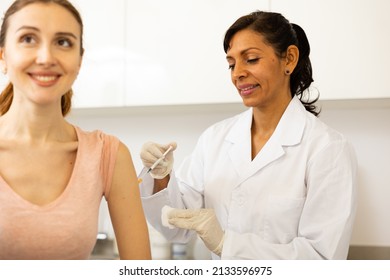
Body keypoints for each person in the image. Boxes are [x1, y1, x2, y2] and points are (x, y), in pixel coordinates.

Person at [139, 11, 357, 260]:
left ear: (289, 59)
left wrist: (226, 245)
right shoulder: (214, 140)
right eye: (231, 64)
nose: (237, 73)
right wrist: (161, 177)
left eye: (251, 59)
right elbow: (176, 227)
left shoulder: (327, 149)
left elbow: (321, 258)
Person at [0, 0, 151, 260]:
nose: (46, 57)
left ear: (79, 61)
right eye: (28, 38)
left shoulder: (109, 155)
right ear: (3, 55)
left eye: (63, 42)